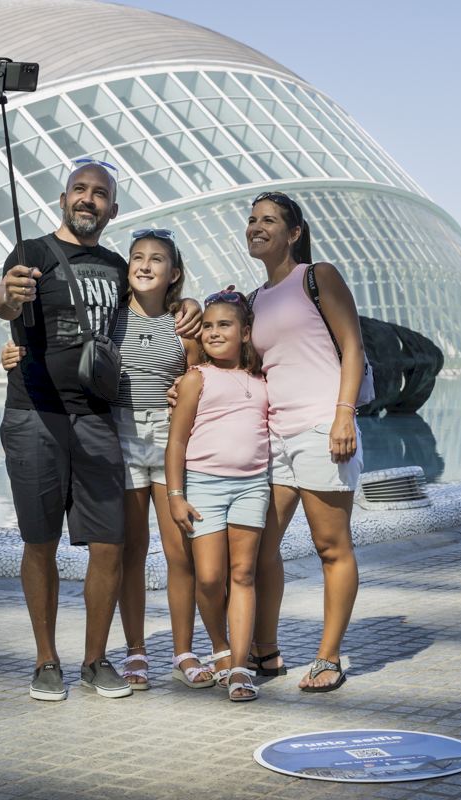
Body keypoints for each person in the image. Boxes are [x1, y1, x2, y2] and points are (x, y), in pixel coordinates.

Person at [0, 159, 201, 702]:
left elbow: (157, 305)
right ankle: (45, 660)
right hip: (35, 414)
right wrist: (7, 296)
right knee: (40, 542)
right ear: (63, 199)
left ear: (112, 208)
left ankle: (95, 660)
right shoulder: (32, 253)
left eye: (99, 193)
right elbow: (3, 301)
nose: (88, 199)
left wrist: (191, 305)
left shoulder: (115, 265)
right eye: (79, 190)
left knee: (109, 544)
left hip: (98, 420)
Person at [246, 191, 365, 692]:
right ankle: (266, 651)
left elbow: (353, 346)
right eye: (252, 219)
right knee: (259, 548)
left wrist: (343, 416)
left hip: (322, 428)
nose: (256, 226)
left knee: (330, 546)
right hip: (275, 436)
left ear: (293, 233)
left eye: (269, 220)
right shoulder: (255, 299)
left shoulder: (317, 277)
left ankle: (328, 657)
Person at [166, 288, 269, 702]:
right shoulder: (196, 378)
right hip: (204, 485)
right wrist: (176, 494)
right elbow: (176, 441)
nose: (212, 332)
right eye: (207, 326)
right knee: (209, 577)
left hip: (252, 486)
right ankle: (219, 645)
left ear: (245, 333)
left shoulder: (262, 380)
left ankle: (240, 666)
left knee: (243, 574)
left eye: (224, 325)